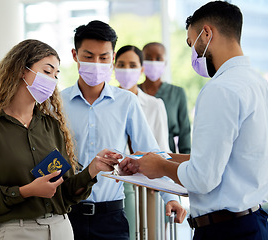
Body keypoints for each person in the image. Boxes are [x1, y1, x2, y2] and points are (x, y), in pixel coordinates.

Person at [120, 1, 268, 239]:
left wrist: (160, 167)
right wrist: (162, 157)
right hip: (253, 221)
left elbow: (203, 178)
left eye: (192, 43)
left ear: (207, 33)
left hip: (225, 230)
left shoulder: (220, 89)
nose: (193, 54)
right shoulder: (259, 85)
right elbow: (227, 158)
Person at [0, 39, 122, 240]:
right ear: (21, 71)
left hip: (61, 228)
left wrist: (94, 168)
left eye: (55, 74)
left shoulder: (51, 126)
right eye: (47, 71)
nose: (52, 80)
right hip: (16, 232)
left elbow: (66, 192)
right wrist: (26, 191)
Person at [61, 21, 186, 240]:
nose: (97, 64)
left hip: (112, 218)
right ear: (75, 54)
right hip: (67, 216)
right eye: (89, 57)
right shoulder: (58, 104)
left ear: (113, 56)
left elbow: (150, 151)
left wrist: (170, 197)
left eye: (104, 57)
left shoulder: (126, 102)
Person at [115, 45, 182, 239]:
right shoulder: (109, 103)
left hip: (150, 183)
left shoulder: (154, 104)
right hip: (119, 184)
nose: (126, 69)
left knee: (150, 233)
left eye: (132, 65)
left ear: (141, 70)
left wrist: (168, 190)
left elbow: (162, 148)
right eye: (121, 64)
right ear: (114, 67)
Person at [139, 42, 191, 154]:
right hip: (135, 158)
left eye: (158, 58)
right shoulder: (133, 93)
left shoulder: (177, 93)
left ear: (165, 62)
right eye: (148, 58)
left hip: (167, 158)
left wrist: (185, 163)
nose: (153, 62)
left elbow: (184, 133)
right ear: (141, 62)